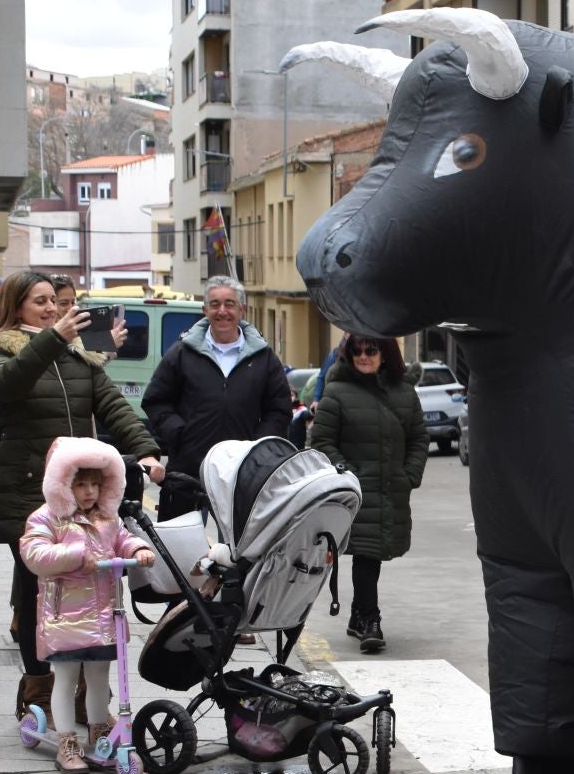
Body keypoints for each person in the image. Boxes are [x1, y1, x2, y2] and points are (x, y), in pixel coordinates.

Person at [0, 270, 163, 723]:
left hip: (81, 492)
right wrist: (53, 340)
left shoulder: (78, 353)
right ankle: (39, 689)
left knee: (85, 589)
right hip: (28, 489)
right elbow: (9, 386)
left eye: (53, 301)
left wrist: (147, 449)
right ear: (16, 305)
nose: (50, 308)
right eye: (39, 301)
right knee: (35, 593)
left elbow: (113, 405)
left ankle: (77, 690)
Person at [19, 438, 155, 774]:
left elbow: (121, 537)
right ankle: (66, 740)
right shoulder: (47, 518)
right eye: (81, 485)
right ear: (64, 484)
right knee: (64, 677)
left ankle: (100, 731)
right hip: (63, 616)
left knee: (98, 677)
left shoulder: (107, 517)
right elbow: (34, 555)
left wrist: (137, 549)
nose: (90, 492)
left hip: (103, 615)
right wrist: (79, 556)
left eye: (95, 484)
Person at [309, 334, 427, 653]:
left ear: (385, 353)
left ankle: (357, 615)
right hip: (355, 492)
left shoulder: (404, 392)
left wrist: (410, 475)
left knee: (371, 554)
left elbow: (418, 437)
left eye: (371, 350)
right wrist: (347, 475)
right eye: (357, 350)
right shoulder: (336, 392)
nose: (363, 356)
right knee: (366, 555)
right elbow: (321, 443)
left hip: (391, 489)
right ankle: (371, 620)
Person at [141, 276, 292, 516]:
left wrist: (257, 447)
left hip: (243, 475)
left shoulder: (264, 358)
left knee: (238, 553)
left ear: (242, 309)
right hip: (188, 471)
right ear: (205, 310)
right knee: (179, 551)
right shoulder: (181, 353)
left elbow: (280, 409)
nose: (222, 311)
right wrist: (180, 433)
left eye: (230, 304)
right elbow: (156, 400)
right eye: (215, 304)